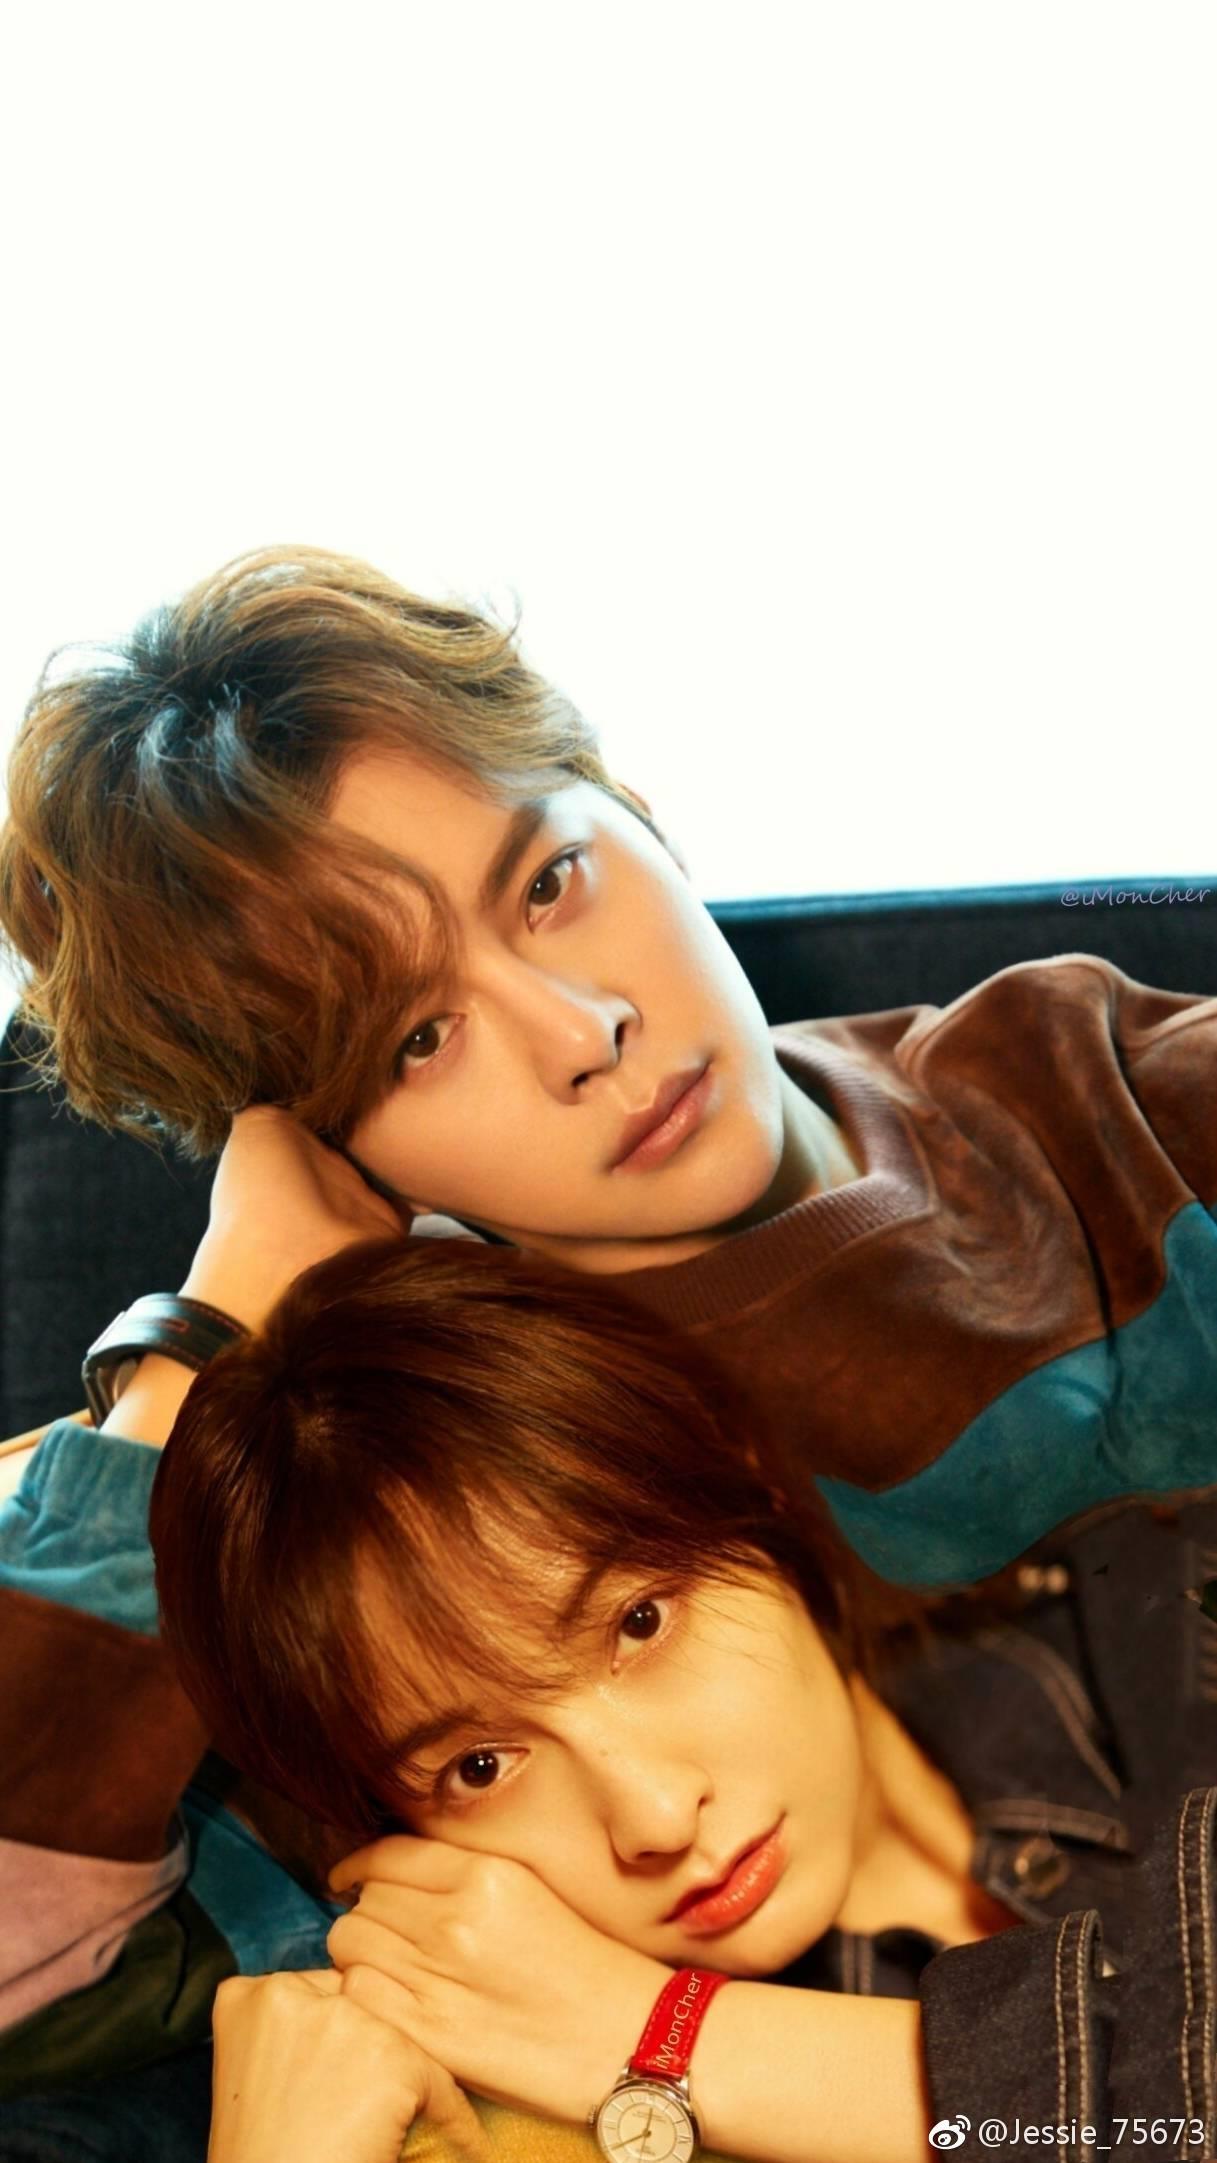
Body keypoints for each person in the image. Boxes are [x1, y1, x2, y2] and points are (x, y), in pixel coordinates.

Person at [0, 543, 1215, 2085]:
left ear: (630, 805)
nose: (582, 1031)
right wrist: (205, 1337)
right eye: (416, 1037)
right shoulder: (419, 1472)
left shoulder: (1103, 1085)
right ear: (317, 1142)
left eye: (548, 882)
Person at [148, 1237, 1217, 2163]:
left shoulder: (1176, 1614)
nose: (655, 1817)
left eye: (639, 1622)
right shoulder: (541, 2113)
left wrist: (662, 2034)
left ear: (741, 1476)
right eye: (480, 1767)